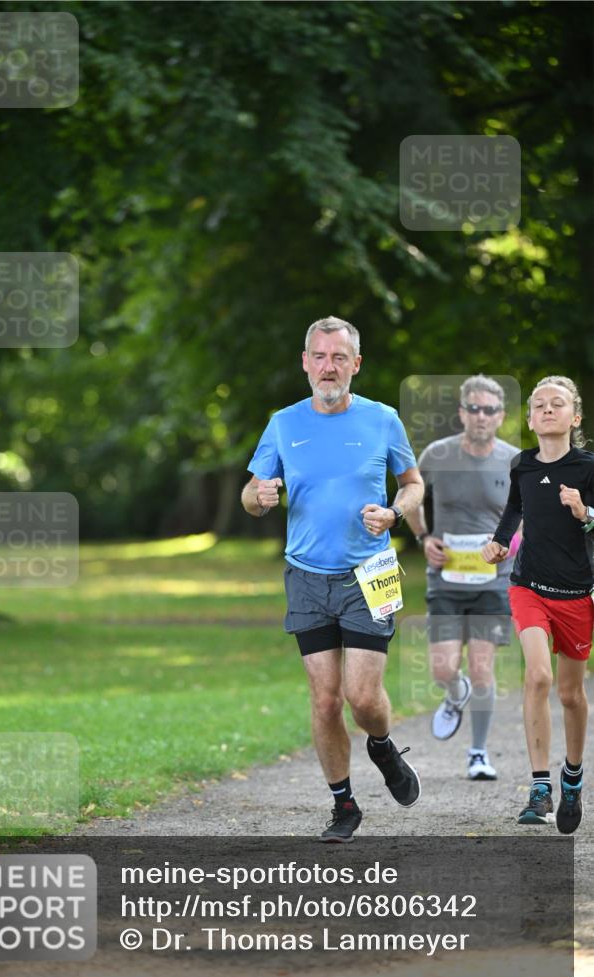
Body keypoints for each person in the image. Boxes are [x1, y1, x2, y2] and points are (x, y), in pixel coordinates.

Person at [241, 316, 424, 842]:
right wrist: (261, 497)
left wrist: (394, 514)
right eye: (319, 356)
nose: (328, 366)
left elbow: (413, 485)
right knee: (325, 699)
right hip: (307, 576)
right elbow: (252, 495)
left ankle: (384, 746)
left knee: (362, 698)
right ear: (305, 362)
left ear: (355, 365)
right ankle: (344, 805)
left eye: (339, 357)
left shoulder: (383, 419)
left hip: (371, 571)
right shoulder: (283, 423)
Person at [482, 376, 594, 834]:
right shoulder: (522, 465)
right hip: (529, 587)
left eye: (558, 404)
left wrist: (584, 512)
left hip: (577, 594)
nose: (548, 410)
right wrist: (499, 541)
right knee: (538, 675)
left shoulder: (588, 467)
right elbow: (514, 508)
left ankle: (572, 776)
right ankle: (539, 787)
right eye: (540, 406)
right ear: (529, 419)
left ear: (575, 417)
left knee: (570, 694)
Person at [405, 375, 520, 781]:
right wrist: (423, 537)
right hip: (447, 580)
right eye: (474, 408)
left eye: (490, 410)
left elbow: (528, 516)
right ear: (462, 412)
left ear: (501, 415)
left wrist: (510, 543)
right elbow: (411, 495)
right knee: (442, 669)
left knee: (484, 668)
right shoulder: (437, 454)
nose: (481, 416)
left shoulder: (514, 460)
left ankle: (478, 753)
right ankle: (456, 694)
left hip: (493, 580)